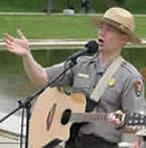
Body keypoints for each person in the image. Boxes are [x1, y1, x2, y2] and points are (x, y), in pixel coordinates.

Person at [4, 7, 146, 148]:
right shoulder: (81, 63)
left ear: (123, 38)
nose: (101, 32)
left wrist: (121, 123)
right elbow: (41, 77)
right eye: (101, 27)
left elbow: (136, 123)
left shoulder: (130, 77)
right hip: (71, 141)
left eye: (109, 30)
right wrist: (27, 55)